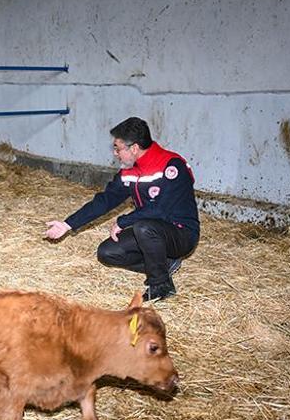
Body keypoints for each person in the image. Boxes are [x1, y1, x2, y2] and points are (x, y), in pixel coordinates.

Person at [45, 117, 199, 301]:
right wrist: (67, 224)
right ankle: (164, 264)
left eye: (117, 148)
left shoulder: (171, 165)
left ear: (134, 148)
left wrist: (123, 221)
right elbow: (105, 200)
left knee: (143, 227)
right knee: (107, 253)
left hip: (181, 234)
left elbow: (161, 210)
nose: (115, 153)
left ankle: (161, 285)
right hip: (149, 231)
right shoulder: (130, 170)